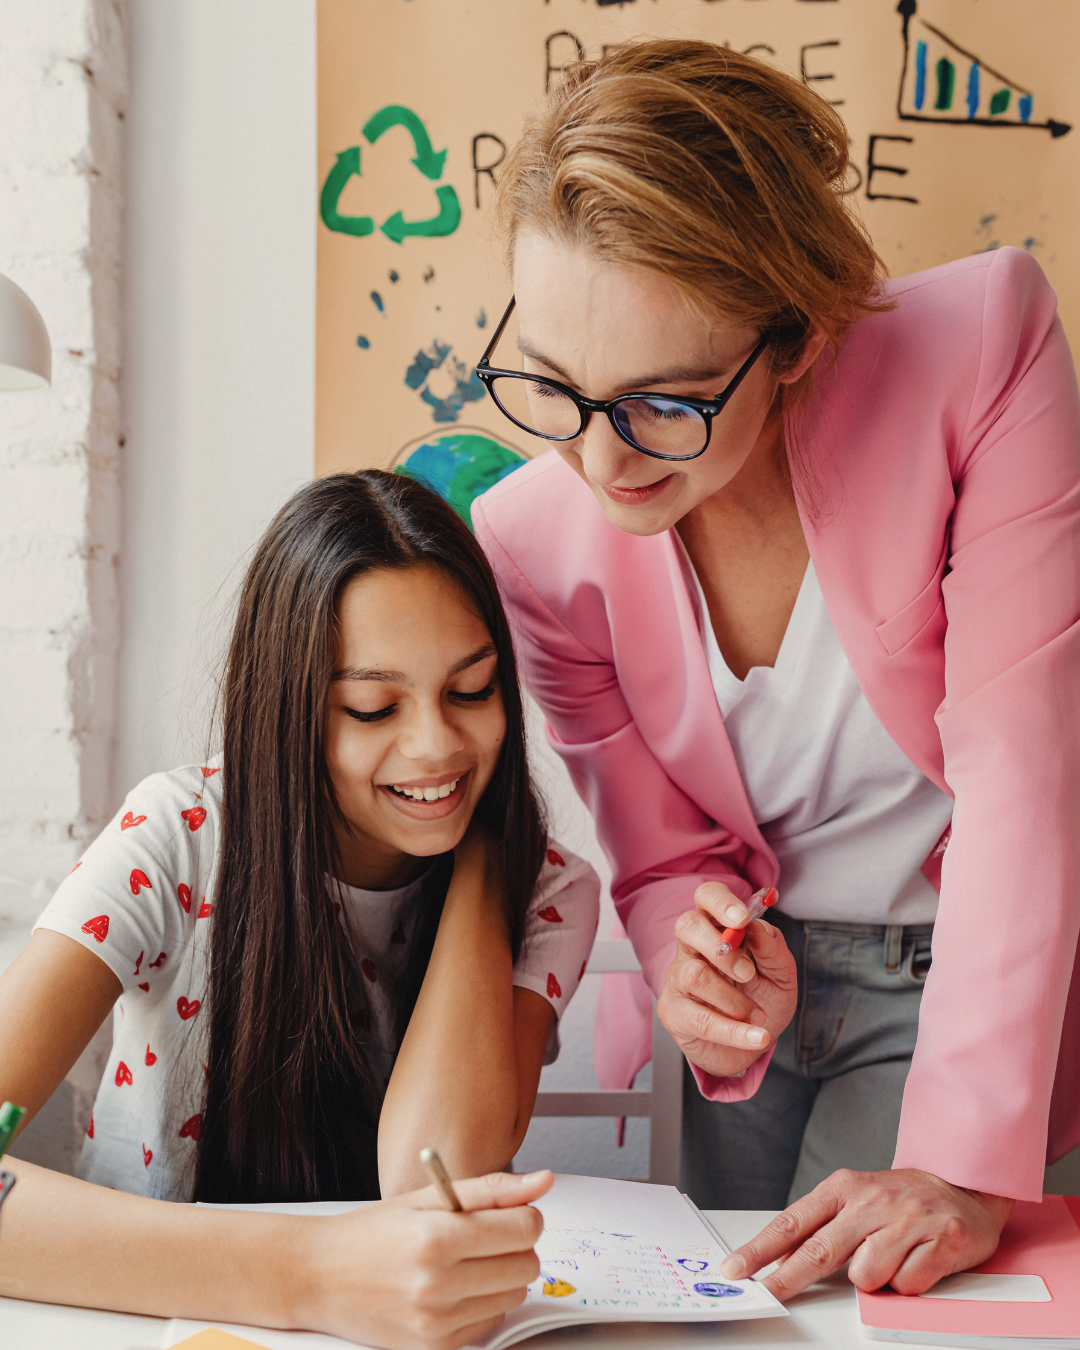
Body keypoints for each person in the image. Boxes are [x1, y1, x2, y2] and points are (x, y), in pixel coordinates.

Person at [470, 38, 1080, 1301]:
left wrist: (960, 1162)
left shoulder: (984, 348)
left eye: (662, 403)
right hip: (757, 1013)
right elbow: (659, 851)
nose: (604, 462)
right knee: (720, 1318)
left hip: (962, 983)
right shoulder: (531, 540)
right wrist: (689, 958)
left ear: (796, 339)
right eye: (555, 388)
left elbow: (1029, 768)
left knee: (884, 1312)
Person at [0, 470, 599, 1348]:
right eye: (371, 706)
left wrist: (478, 853)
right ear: (288, 713)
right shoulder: (177, 839)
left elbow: (432, 1170)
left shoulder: (546, 889)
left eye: (471, 691)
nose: (436, 743)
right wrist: (310, 1277)